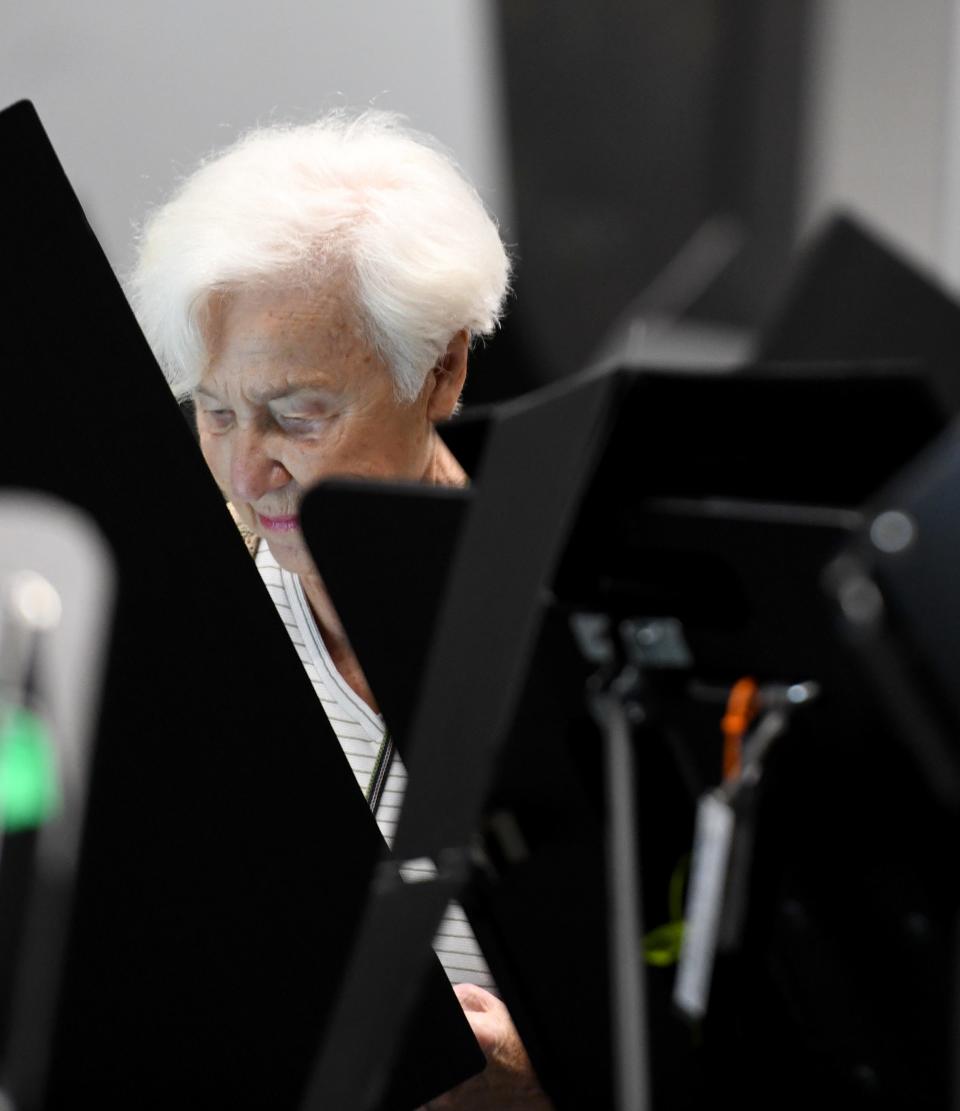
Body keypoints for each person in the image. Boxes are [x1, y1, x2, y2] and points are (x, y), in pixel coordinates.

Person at [130, 111, 553, 1110]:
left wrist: (552, 1074)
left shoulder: (568, 625)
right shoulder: (192, 626)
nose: (244, 470)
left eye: (296, 413)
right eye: (214, 409)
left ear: (442, 370)